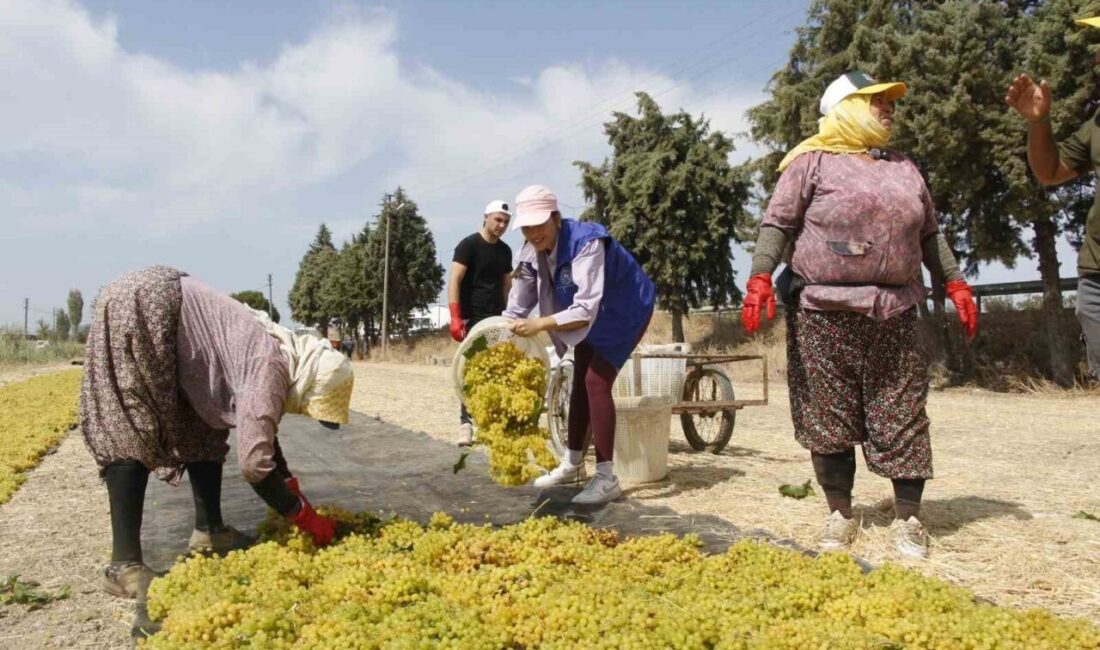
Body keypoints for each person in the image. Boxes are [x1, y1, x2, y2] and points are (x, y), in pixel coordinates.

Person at [742, 72, 978, 558]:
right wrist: (761, 275)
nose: (889, 109)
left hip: (894, 309)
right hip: (823, 311)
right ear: (846, 108)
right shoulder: (810, 164)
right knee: (828, 412)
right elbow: (778, 223)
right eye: (876, 102)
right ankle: (839, 514)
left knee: (903, 410)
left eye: (890, 102)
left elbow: (930, 234)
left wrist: (953, 281)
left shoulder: (904, 168)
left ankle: (909, 519)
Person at [80, 266, 349, 598]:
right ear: (312, 385)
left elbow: (264, 434)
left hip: (162, 304)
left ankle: (210, 531)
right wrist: (302, 515)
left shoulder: (283, 351)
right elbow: (254, 466)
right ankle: (123, 566)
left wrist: (291, 486)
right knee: (130, 422)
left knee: (203, 428)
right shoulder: (270, 365)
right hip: (144, 305)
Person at [503, 185, 655, 505]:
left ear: (556, 218)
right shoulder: (528, 254)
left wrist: (539, 325)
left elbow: (586, 309)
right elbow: (516, 307)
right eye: (526, 227)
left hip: (625, 306)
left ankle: (606, 477)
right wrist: (502, 338)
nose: (533, 232)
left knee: (595, 381)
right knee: (579, 380)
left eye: (539, 224)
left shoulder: (587, 242)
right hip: (588, 313)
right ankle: (573, 463)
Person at [1005, 15, 1100, 379]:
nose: (1095, 59)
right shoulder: (1098, 123)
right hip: (1096, 276)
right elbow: (1051, 171)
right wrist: (1038, 122)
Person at [449, 200, 514, 446]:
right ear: (486, 217)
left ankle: (491, 422)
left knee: (497, 370)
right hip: (470, 318)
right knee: (471, 370)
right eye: (498, 219)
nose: (502, 225)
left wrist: (511, 315)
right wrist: (455, 316)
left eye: (506, 222)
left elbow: (507, 285)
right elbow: (454, 279)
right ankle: (466, 423)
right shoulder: (469, 245)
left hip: (496, 318)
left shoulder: (505, 251)